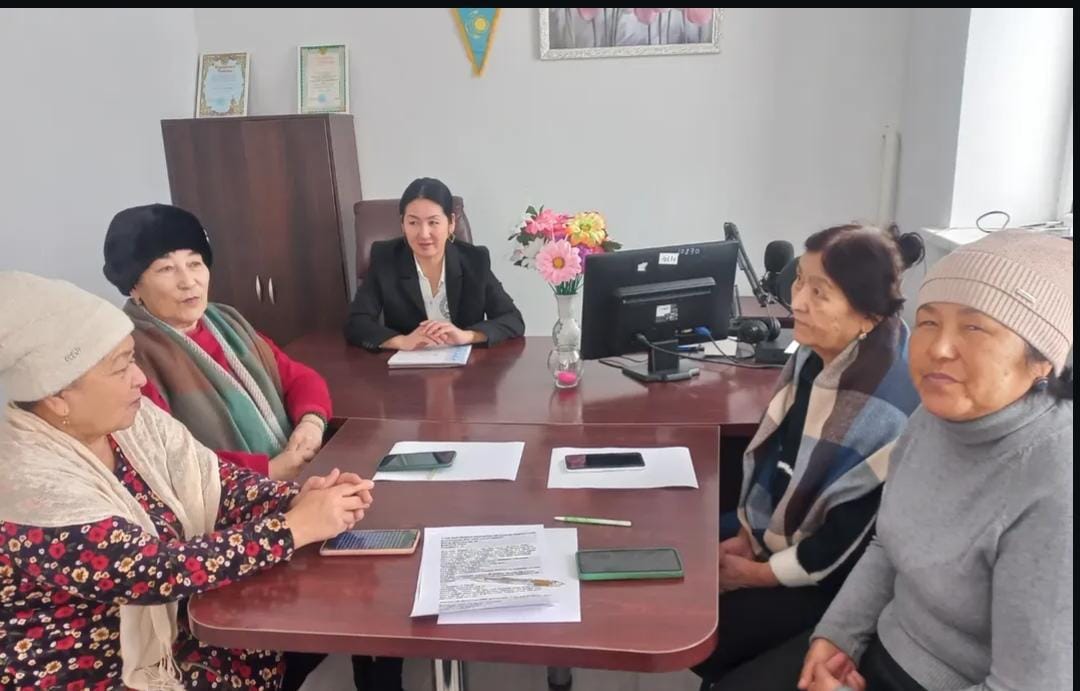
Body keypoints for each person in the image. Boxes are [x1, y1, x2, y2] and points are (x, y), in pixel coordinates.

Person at [0, 270, 373, 690]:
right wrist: (293, 527)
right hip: (95, 666)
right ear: (57, 397)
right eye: (120, 368)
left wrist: (296, 498)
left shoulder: (131, 424)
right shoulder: (28, 485)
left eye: (132, 359)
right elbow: (151, 570)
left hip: (184, 621)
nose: (139, 378)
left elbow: (219, 483)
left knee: (328, 606)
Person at [800, 230, 1073, 691]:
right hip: (881, 645)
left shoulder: (1055, 480)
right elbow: (887, 545)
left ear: (1043, 360)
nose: (938, 349)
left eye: (974, 327)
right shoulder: (932, 418)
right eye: (928, 322)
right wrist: (837, 636)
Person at [694, 224, 925, 689]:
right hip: (787, 530)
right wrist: (746, 534)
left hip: (837, 576)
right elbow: (780, 460)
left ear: (867, 314)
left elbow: (849, 543)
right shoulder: (817, 355)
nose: (797, 302)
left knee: (703, 624)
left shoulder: (886, 407)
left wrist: (757, 574)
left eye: (820, 292)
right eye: (799, 281)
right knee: (680, 547)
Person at [102, 203, 332, 482]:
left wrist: (311, 423)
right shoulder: (130, 355)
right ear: (134, 286)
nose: (188, 281)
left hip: (293, 472)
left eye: (195, 263)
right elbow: (167, 456)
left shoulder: (226, 321)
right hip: (230, 494)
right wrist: (268, 471)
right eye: (166, 269)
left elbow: (297, 377)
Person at [344, 177, 525, 352]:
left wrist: (467, 336)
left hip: (465, 366)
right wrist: (402, 341)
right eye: (413, 222)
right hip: (407, 367)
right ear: (402, 224)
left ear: (451, 223)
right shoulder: (386, 258)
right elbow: (356, 322)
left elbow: (512, 319)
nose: (424, 233)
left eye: (433, 222)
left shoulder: (474, 260)